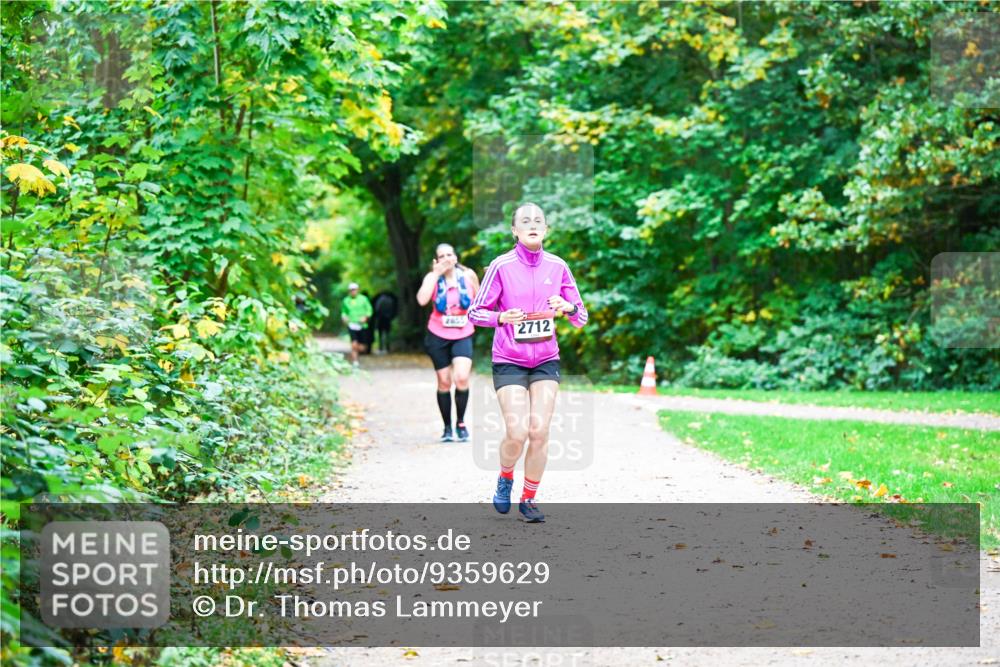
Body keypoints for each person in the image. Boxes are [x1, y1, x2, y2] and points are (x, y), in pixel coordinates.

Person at [468, 203, 588, 523]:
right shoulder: (501, 265)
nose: (532, 224)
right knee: (517, 431)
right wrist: (500, 317)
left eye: (538, 221)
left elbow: (581, 316)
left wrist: (568, 307)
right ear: (514, 230)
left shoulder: (558, 266)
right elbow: (475, 312)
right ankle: (506, 476)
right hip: (509, 359)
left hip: (546, 359)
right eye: (525, 221)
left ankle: (529, 499)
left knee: (539, 431)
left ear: (546, 229)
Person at [416, 244, 480, 443]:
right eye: (441, 256)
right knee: (444, 381)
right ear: (436, 260)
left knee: (461, 378)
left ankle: (461, 424)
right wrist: (435, 274)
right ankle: (447, 428)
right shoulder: (432, 277)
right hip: (438, 333)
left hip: (463, 332)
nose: (446, 258)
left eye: (449, 254)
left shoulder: (468, 275)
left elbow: (480, 300)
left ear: (456, 256)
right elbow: (421, 300)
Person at [341, 282, 372, 368]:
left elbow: (369, 310)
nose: (353, 291)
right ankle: (355, 361)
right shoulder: (346, 300)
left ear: (358, 290)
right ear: (349, 291)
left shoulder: (364, 299)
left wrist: (366, 317)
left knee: (362, 347)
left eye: (354, 290)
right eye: (351, 290)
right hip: (351, 324)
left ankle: (358, 350)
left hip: (362, 325)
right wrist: (344, 317)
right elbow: (344, 311)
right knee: (354, 344)